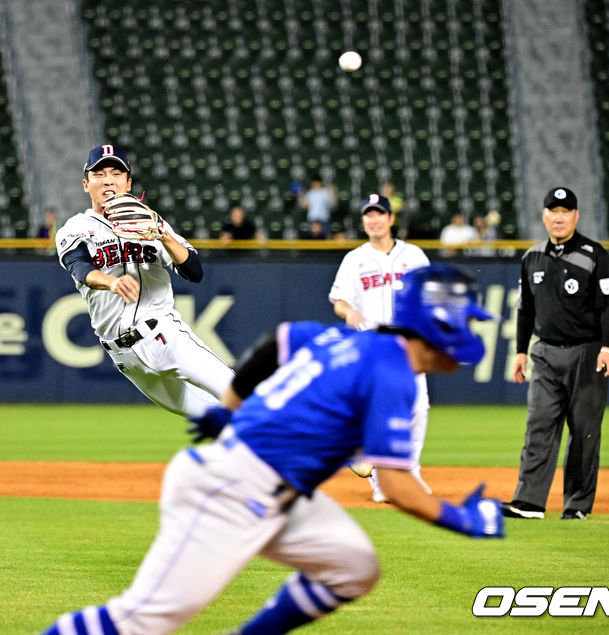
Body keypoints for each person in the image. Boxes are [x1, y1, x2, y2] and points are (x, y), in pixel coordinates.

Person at [41, 264, 504, 635]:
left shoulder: (350, 341)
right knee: (141, 620)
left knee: (354, 566)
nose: (468, 329)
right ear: (435, 321)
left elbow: (280, 340)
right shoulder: (393, 375)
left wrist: (231, 406)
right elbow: (398, 487)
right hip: (229, 488)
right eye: (463, 318)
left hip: (276, 490)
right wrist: (464, 519)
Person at [55, 144, 234, 418]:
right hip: (124, 357)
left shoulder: (152, 222)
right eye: (99, 174)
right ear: (86, 184)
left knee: (236, 393)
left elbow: (194, 271)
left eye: (116, 173)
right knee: (213, 418)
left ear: (128, 182)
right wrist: (111, 283)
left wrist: (164, 234)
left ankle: (305, 448)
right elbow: (80, 268)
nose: (107, 180)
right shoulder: (76, 228)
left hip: (165, 336)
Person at [502, 187, 609, 521]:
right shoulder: (532, 258)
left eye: (565, 210)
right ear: (543, 216)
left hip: (586, 352)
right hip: (545, 352)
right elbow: (525, 310)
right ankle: (529, 502)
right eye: (552, 210)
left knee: (583, 430)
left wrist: (607, 348)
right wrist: (521, 351)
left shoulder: (594, 254)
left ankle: (577, 506)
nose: (558, 217)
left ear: (576, 216)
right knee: (538, 425)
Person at [328, 193, 431, 502]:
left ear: (390, 219)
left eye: (379, 214)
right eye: (368, 215)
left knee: (417, 409)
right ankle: (382, 483)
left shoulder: (413, 256)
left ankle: (407, 474)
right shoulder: (354, 259)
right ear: (363, 221)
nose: (373, 219)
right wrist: (349, 311)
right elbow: (339, 300)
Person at [298, 173, 337, 238]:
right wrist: (300, 196)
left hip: (323, 219)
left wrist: (334, 193)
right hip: (312, 219)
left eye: (317, 182)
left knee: (325, 238)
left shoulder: (326, 192)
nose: (315, 184)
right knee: (311, 239)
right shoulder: (310, 193)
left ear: (320, 182)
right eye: (314, 182)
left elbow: (333, 205)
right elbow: (305, 206)